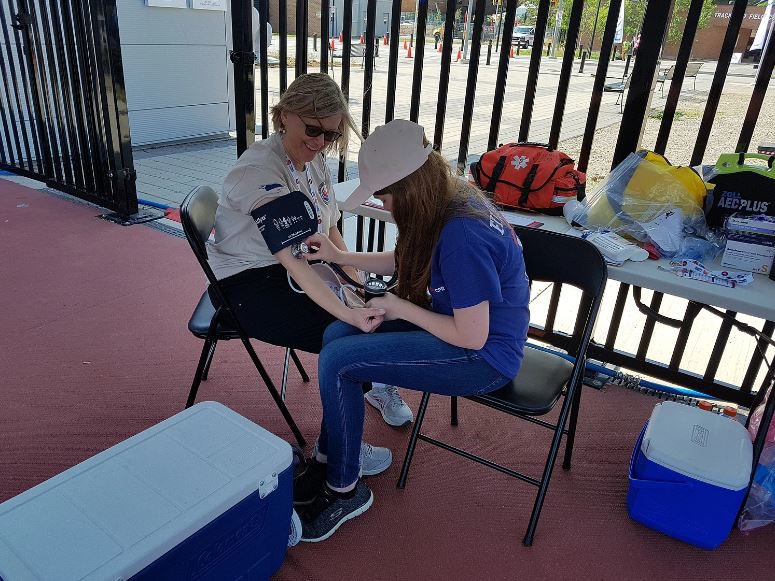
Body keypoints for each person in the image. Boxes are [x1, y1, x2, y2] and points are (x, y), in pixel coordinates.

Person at [294, 120, 531, 542]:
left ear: (408, 187)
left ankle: (344, 488)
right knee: (336, 337)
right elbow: (401, 261)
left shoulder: (462, 234)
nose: (382, 206)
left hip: (483, 359)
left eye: (384, 196)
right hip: (455, 329)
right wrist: (337, 253)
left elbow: (473, 337)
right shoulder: (443, 200)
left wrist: (399, 306)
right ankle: (332, 454)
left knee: (339, 360)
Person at [207, 74, 412, 477]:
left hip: (290, 269)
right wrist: (348, 311)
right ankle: (336, 450)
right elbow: (291, 258)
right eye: (312, 128)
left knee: (375, 310)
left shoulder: (311, 160)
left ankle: (366, 393)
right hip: (248, 285)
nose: (320, 142)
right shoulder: (259, 170)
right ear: (284, 115)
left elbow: (330, 227)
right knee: (352, 340)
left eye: (330, 135)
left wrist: (354, 285)